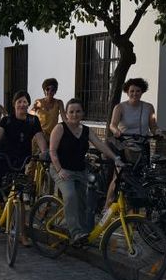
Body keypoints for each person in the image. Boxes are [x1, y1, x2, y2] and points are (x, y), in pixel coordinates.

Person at [49, 98, 123, 245]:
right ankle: (75, 233)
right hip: (61, 170)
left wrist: (116, 158)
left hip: (80, 171)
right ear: (67, 113)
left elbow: (100, 145)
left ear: (82, 113)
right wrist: (60, 170)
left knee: (82, 202)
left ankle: (83, 234)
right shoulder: (60, 128)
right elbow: (52, 151)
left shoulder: (86, 130)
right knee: (70, 196)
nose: (74, 114)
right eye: (71, 112)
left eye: (78, 111)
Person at [0, 90, 48, 240]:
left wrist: (44, 152)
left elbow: (39, 138)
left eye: (25, 101)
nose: (22, 104)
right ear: (14, 105)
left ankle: (22, 232)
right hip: (2, 158)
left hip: (21, 161)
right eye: (19, 102)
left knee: (21, 196)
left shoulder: (33, 121)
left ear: (28, 104)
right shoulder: (7, 120)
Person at [107, 77, 163, 204]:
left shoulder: (149, 107)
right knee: (119, 176)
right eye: (132, 91)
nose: (134, 94)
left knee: (139, 178)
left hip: (142, 146)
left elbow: (153, 126)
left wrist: (158, 132)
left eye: (138, 91)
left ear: (142, 92)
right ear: (127, 92)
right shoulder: (120, 107)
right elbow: (113, 125)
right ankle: (107, 206)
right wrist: (116, 131)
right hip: (124, 145)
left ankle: (133, 209)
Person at [31, 78, 67, 142]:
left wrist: (72, 125)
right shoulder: (38, 102)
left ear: (55, 91)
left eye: (52, 90)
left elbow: (64, 119)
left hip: (53, 135)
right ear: (44, 90)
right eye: (47, 89)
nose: (50, 91)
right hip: (40, 135)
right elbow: (31, 115)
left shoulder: (59, 103)